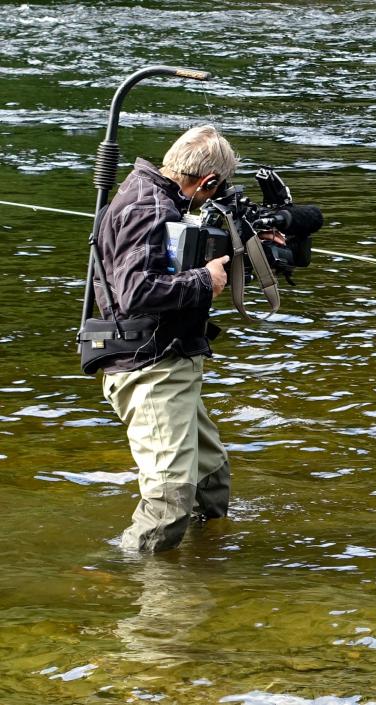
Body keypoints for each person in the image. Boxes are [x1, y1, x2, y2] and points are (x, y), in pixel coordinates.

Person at [92, 124, 238, 552]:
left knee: (211, 477)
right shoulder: (149, 207)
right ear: (207, 181)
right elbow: (136, 292)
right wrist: (204, 280)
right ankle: (129, 578)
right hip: (149, 367)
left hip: (170, 359)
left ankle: (205, 560)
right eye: (216, 189)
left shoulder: (161, 197)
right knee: (169, 499)